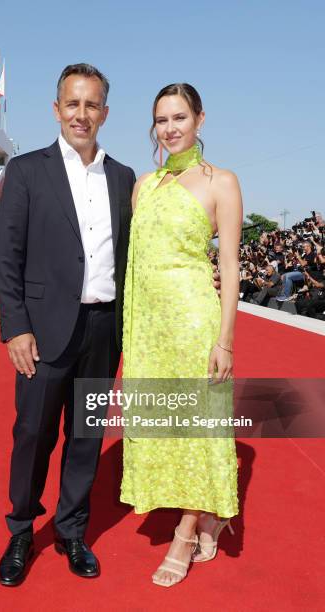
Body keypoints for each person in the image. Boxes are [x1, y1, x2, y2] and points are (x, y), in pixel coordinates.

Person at [0, 63, 135, 586]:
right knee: (32, 434)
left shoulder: (122, 177)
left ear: (104, 113)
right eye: (72, 104)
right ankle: (22, 529)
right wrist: (15, 327)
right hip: (44, 330)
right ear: (57, 110)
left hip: (103, 332)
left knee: (86, 436)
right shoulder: (27, 171)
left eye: (91, 104)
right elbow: (7, 256)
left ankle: (73, 531)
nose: (81, 114)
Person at [120, 83, 242, 587]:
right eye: (161, 120)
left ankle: (186, 532)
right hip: (149, 326)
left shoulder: (222, 182)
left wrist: (225, 340)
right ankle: (208, 514)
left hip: (195, 321)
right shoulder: (144, 185)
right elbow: (135, 262)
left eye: (179, 118)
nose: (169, 129)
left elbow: (230, 267)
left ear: (200, 120)